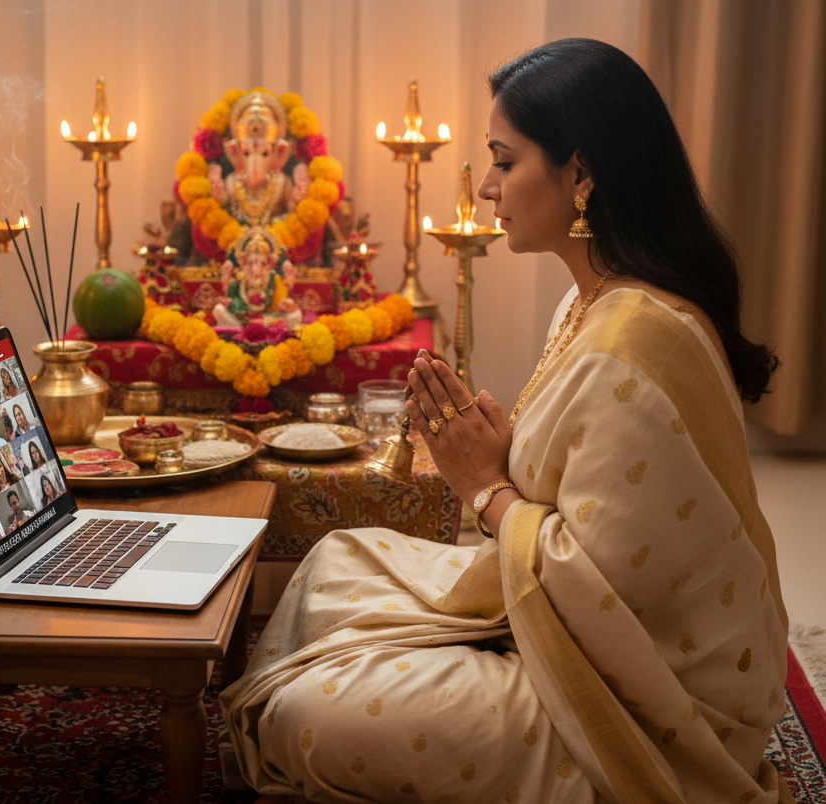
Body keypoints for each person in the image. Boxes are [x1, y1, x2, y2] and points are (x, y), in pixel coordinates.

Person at [220, 39, 793, 804]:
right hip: (568, 632)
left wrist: (486, 485)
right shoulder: (588, 302)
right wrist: (501, 453)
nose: (488, 187)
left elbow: (603, 597)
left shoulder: (632, 341)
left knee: (305, 714)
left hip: (647, 700)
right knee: (333, 564)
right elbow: (580, 506)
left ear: (580, 175)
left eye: (503, 159)